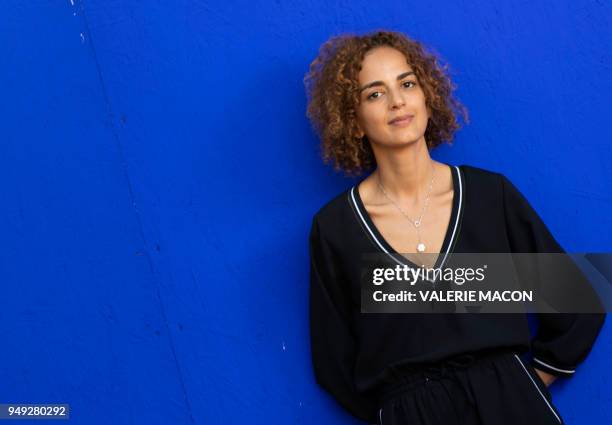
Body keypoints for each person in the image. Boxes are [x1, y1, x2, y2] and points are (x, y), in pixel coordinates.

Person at [303, 29, 606, 425]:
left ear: (427, 96)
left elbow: (577, 301)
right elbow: (334, 363)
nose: (397, 101)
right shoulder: (336, 228)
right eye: (374, 94)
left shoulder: (487, 196)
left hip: (510, 404)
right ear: (354, 120)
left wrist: (524, 383)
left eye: (407, 83)